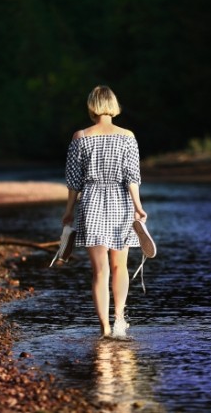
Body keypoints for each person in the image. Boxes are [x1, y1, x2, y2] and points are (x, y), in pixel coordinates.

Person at [61, 85, 147, 338]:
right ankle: (120, 319)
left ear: (91, 105)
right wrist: (138, 207)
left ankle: (105, 328)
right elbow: (133, 177)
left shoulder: (81, 136)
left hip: (91, 201)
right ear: (113, 105)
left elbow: (74, 181)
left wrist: (68, 211)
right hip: (121, 202)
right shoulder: (128, 136)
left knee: (100, 270)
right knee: (120, 267)